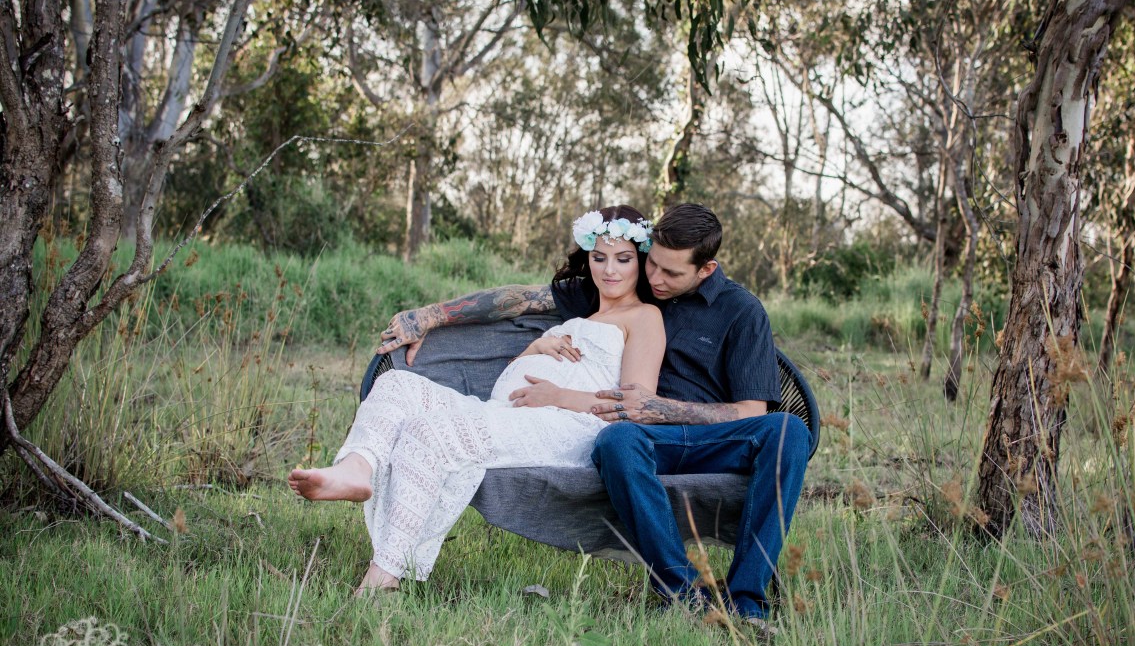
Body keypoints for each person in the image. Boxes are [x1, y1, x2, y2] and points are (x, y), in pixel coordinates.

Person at [380, 203, 811, 621]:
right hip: (641, 438)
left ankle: (747, 601)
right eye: (652, 263)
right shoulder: (626, 283)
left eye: (671, 273)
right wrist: (430, 316)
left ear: (706, 269)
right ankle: (681, 593)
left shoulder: (742, 312)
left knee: (788, 431)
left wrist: (659, 408)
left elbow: (750, 412)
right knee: (616, 440)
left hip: (709, 442)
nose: (656, 278)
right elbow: (520, 299)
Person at [289, 206, 664, 595]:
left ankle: (383, 578)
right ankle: (356, 467)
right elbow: (512, 370)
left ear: (640, 261)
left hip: (572, 426)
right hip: (508, 411)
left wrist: (558, 394)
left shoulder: (644, 316)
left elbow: (636, 406)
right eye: (599, 258)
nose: (609, 270)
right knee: (398, 384)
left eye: (623, 259)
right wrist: (534, 348)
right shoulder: (579, 312)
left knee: (431, 432)